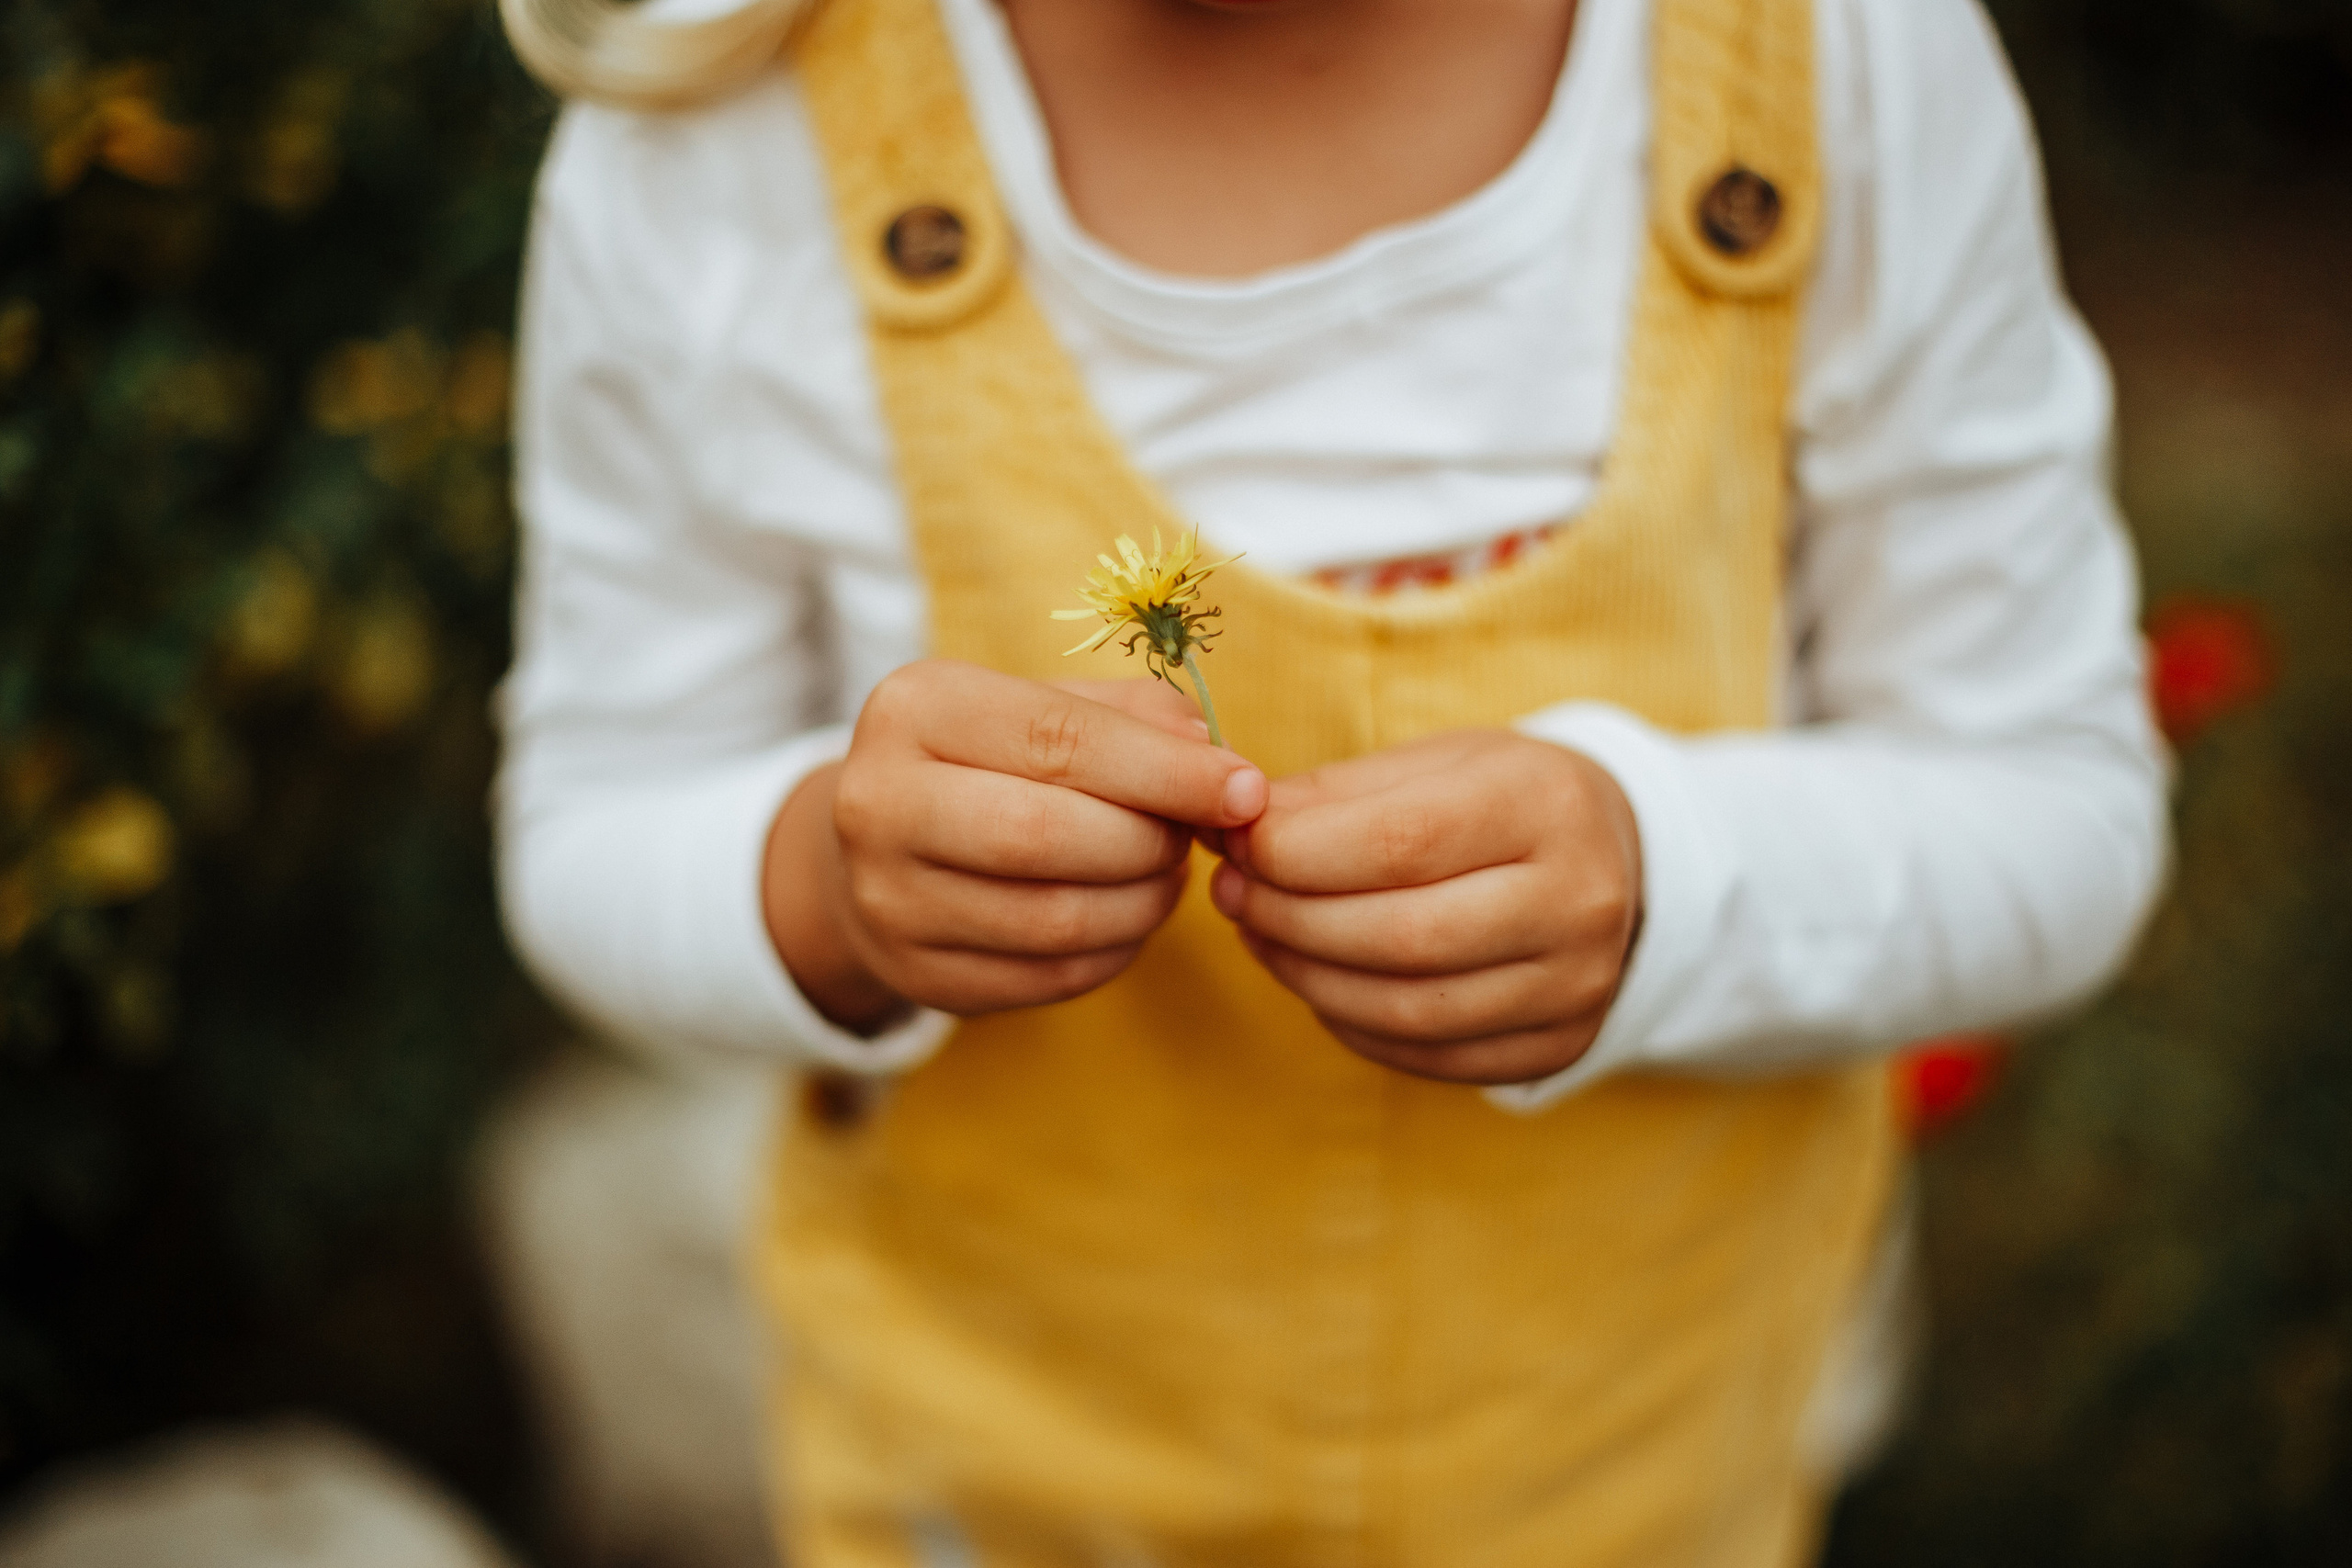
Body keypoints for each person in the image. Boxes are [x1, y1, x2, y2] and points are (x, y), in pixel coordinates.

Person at [492, 0, 2169, 1560]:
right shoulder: (713, 140)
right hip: (995, 1495)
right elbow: (594, 818)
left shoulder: (1836, 65)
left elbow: (2057, 807)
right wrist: (827, 889)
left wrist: (1672, 878)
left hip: (1650, 1477)